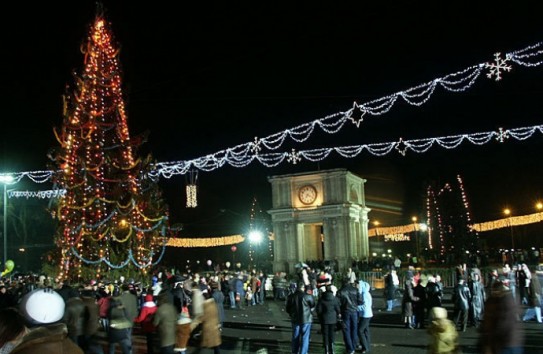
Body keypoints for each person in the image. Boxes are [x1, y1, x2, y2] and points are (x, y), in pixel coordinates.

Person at [479, 280, 524, 354]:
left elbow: (498, 325)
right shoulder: (511, 300)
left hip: (503, 343)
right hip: (514, 341)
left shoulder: (497, 302)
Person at [285, 282, 316, 354]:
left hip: (295, 319)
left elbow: (287, 309)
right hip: (306, 319)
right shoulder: (308, 296)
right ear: (303, 288)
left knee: (295, 337)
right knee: (305, 337)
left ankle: (295, 351)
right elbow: (313, 305)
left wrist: (291, 314)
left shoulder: (291, 297)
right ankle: (303, 352)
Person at [337, 279, 363, 354]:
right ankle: (353, 346)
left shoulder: (340, 291)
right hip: (354, 311)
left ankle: (350, 348)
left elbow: (338, 303)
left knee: (346, 330)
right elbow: (360, 301)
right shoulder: (355, 290)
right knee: (354, 329)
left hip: (345, 312)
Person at [316, 284, 341, 354]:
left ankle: (326, 349)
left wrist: (320, 315)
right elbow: (338, 309)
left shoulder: (321, 299)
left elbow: (319, 310)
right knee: (332, 334)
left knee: (325, 334)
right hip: (333, 319)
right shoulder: (335, 299)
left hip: (324, 319)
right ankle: (332, 348)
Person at [153, 290, 177, 354]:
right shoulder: (172, 307)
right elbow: (176, 319)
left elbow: (155, 323)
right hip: (173, 334)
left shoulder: (160, 309)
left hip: (164, 335)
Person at [357, 280, 373, 354]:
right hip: (368, 314)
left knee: (360, 331)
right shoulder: (367, 293)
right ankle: (367, 346)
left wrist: (357, 308)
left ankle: (365, 347)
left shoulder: (364, 294)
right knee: (366, 330)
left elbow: (365, 306)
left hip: (365, 314)